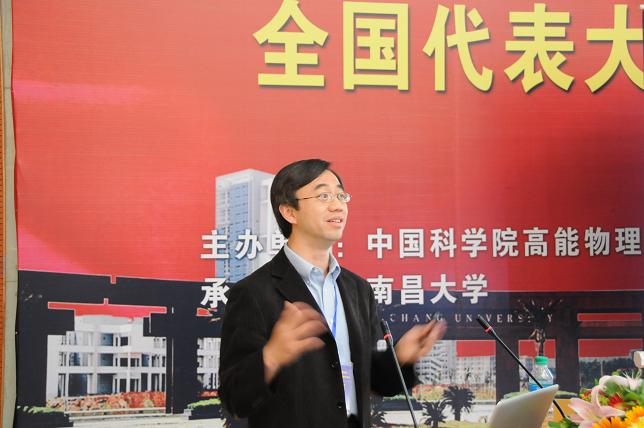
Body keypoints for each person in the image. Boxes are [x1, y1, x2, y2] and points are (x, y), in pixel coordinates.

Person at [219, 159, 447, 428]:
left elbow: (374, 381)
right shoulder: (253, 292)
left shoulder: (358, 289)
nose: (338, 205)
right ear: (290, 212)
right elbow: (234, 399)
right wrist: (271, 357)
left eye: (341, 195)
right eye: (323, 196)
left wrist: (400, 358)